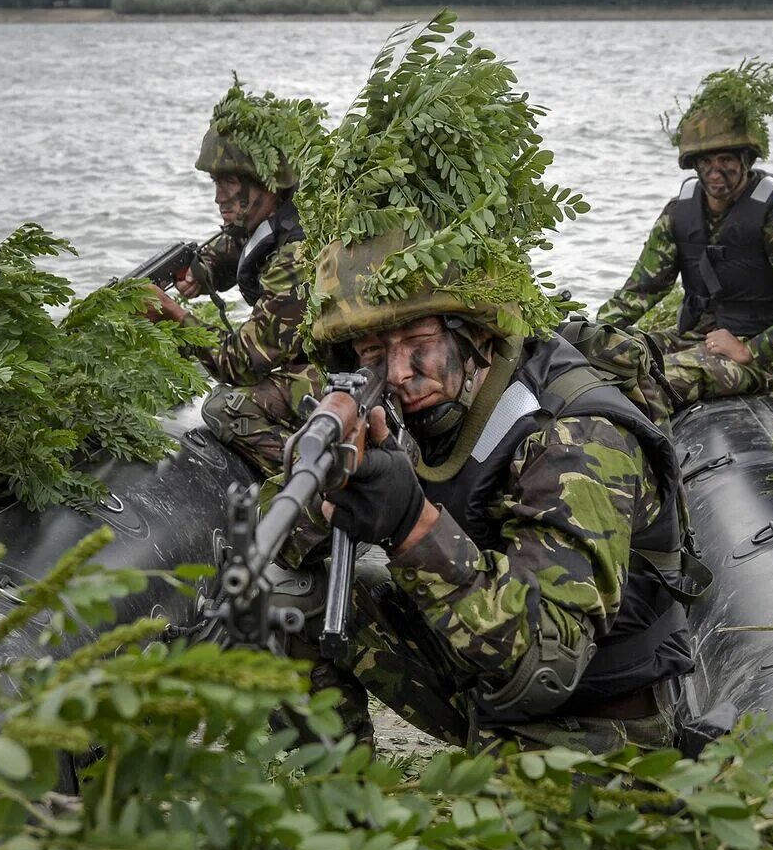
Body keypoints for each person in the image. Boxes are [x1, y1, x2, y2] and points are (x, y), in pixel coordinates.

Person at [296, 228, 700, 755]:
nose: (398, 374)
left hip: (590, 719)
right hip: (483, 679)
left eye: (419, 344)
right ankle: (343, 816)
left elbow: (548, 665)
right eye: (373, 352)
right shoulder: (423, 406)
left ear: (478, 335)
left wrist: (410, 525)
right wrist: (326, 486)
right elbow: (289, 537)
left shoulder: (575, 436)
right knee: (287, 597)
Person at [597, 60, 773, 408]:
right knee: (605, 357)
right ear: (693, 164)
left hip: (749, 358)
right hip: (690, 339)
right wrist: (591, 332)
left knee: (647, 387)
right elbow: (642, 289)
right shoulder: (680, 212)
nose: (715, 171)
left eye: (725, 159)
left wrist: (751, 350)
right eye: (705, 162)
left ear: (746, 159)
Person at [141, 86, 321, 475]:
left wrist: (174, 316)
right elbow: (236, 245)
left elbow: (239, 364)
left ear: (265, 182)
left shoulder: (297, 255)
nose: (219, 198)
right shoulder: (285, 214)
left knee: (226, 409)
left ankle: (318, 481)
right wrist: (200, 270)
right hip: (317, 361)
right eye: (216, 184)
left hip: (338, 376)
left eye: (229, 183)